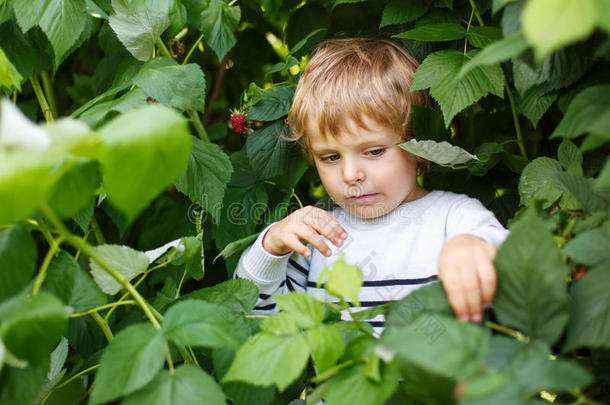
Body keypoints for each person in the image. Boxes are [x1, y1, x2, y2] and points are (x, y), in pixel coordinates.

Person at [235, 38, 507, 330]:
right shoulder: (318, 238)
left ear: (419, 143)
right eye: (330, 157)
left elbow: (511, 259)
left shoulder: (454, 219)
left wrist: (472, 246)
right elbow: (255, 318)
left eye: (374, 151)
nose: (351, 174)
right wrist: (271, 248)